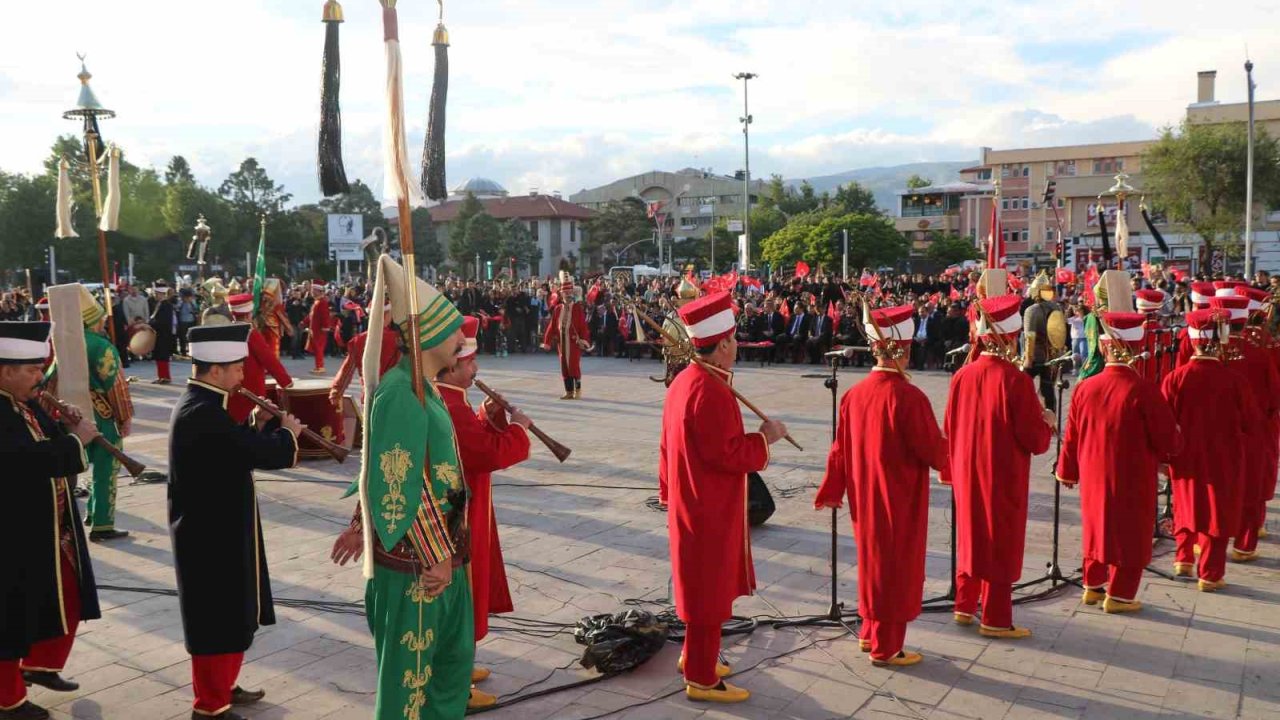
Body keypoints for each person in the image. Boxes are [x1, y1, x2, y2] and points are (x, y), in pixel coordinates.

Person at [331, 256, 474, 720]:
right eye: (455, 331)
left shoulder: (424, 387)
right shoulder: (402, 392)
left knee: (449, 674)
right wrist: (437, 555)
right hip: (420, 568)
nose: (462, 340)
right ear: (428, 335)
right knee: (408, 687)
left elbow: (388, 465)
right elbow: (397, 478)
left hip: (443, 558)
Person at [168, 323, 303, 720]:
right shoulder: (202, 411)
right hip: (208, 534)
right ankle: (210, 706)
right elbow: (251, 452)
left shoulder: (207, 406)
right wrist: (287, 434)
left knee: (231, 611)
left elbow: (232, 448)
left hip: (219, 527)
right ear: (216, 371)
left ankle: (223, 686)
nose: (243, 376)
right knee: (217, 616)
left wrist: (260, 424)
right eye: (238, 369)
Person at [659, 291, 788, 703]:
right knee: (708, 590)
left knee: (703, 585)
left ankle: (697, 655)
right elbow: (728, 454)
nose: (736, 347)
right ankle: (700, 677)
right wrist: (764, 439)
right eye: (733, 341)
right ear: (723, 345)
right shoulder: (710, 390)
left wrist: (667, 491)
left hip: (691, 500)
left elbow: (666, 447)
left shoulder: (687, 380)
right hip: (708, 505)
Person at [814, 305, 947, 668]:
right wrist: (958, 459)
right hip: (899, 497)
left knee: (873, 562)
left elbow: (839, 447)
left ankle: (870, 630)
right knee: (896, 567)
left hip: (864, 494)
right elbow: (934, 450)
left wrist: (833, 486)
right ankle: (887, 646)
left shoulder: (854, 395)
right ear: (903, 349)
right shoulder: (909, 397)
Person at [0, 321, 102, 720]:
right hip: (11, 531)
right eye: (31, 370)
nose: (40, 378)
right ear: (7, 370)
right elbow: (27, 461)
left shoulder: (18, 402)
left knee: (63, 597)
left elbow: (44, 441)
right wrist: (79, 441)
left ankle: (38, 666)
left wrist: (65, 425)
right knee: (7, 616)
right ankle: (9, 702)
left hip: (41, 525)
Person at [433, 317, 532, 710]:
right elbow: (483, 454)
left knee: (468, 595)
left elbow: (469, 442)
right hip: (460, 517)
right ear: (452, 366)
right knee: (463, 598)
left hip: (470, 508)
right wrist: (519, 431)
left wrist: (488, 418)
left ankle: (459, 666)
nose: (476, 371)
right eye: (470, 363)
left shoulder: (455, 400)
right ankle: (455, 681)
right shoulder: (449, 403)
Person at [1056, 311, 1182, 613]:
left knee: (1096, 524)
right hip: (1132, 472)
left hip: (1092, 470)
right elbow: (1167, 441)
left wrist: (1067, 469)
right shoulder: (1143, 389)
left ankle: (1093, 586)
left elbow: (1071, 434)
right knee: (1132, 532)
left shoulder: (1085, 386)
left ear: (1103, 347)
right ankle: (1121, 595)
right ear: (1137, 349)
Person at [944, 293, 1054, 638]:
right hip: (1001, 473)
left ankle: (964, 604)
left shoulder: (962, 375)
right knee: (1000, 540)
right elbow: (1034, 440)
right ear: (1011, 335)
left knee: (970, 535)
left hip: (966, 470)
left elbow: (949, 426)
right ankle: (995, 616)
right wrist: (1046, 420)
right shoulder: (1016, 380)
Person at [1162, 309, 1246, 591]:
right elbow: (1251, 422)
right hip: (1223, 456)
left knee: (1185, 504)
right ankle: (1210, 573)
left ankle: (1183, 558)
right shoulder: (1234, 380)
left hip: (1184, 454)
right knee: (1216, 512)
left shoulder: (1175, 378)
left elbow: (1164, 422)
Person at [61, 286, 133, 542]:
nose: (103, 321)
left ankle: (91, 512)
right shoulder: (101, 346)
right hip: (101, 414)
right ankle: (102, 523)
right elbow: (117, 387)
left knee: (80, 465)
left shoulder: (62, 343)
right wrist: (125, 417)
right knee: (105, 468)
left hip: (68, 414)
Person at [223, 294, 294, 425]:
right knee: (252, 420)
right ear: (248, 314)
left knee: (234, 415)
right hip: (252, 385)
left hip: (231, 383)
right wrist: (285, 381)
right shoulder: (251, 333)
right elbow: (269, 359)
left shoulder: (226, 332)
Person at [328, 302, 401, 410]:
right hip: (395, 396)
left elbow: (347, 370)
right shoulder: (398, 339)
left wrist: (336, 392)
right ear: (387, 314)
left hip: (369, 396)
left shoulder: (359, 340)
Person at [541, 271, 590, 399]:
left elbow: (583, 326)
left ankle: (577, 391)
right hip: (561, 343)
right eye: (565, 293)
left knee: (574, 366)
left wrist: (584, 340)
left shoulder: (577, 308)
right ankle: (568, 391)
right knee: (564, 367)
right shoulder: (557, 309)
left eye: (569, 293)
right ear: (561, 295)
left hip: (574, 343)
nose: (567, 296)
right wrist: (547, 341)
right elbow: (552, 326)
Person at [1021, 271, 1067, 410]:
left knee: (1022, 386)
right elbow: (1060, 331)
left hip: (1035, 354)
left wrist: (1028, 359)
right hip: (1052, 354)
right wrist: (1058, 352)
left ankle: (1027, 413)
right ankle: (1050, 418)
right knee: (1048, 389)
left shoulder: (1031, 310)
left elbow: (1030, 336)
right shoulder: (1056, 307)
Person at [150, 282, 178, 384]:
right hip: (160, 334)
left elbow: (162, 321)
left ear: (160, 293)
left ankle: (165, 377)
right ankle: (161, 376)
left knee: (162, 356)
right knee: (159, 356)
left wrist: (152, 323)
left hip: (163, 334)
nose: (154, 295)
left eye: (156, 293)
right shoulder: (161, 304)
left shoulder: (166, 305)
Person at [304, 281, 331, 375]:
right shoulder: (317, 302)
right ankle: (318, 366)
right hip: (314, 329)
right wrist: (304, 322)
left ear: (318, 291)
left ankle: (320, 367)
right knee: (316, 348)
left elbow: (325, 315)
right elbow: (311, 315)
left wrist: (325, 326)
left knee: (318, 348)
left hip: (319, 330)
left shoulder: (322, 302)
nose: (312, 292)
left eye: (313, 290)